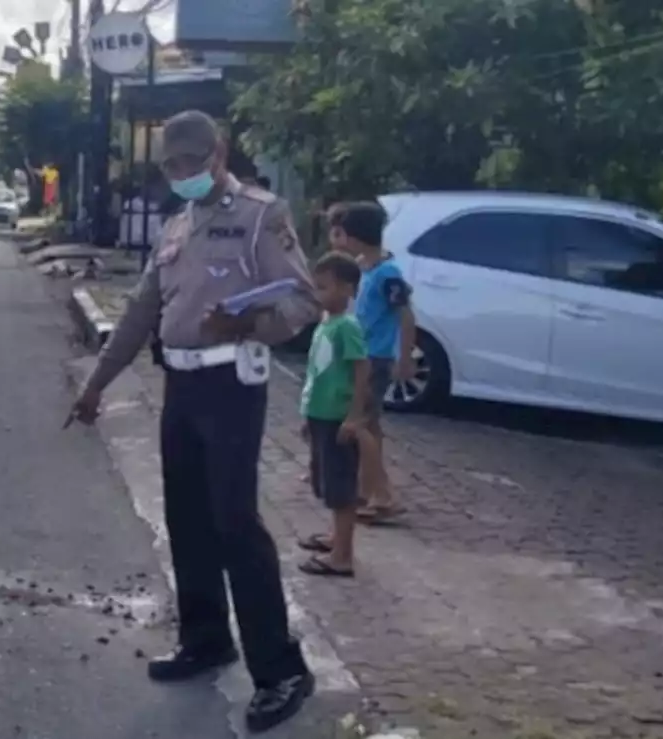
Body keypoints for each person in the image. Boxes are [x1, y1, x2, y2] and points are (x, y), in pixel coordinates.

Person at [67, 110, 320, 733]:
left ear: (219, 152)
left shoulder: (262, 214)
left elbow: (303, 299)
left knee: (235, 522)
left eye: (190, 163)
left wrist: (247, 324)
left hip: (232, 381)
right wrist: (96, 385)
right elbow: (139, 312)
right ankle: (207, 638)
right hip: (180, 382)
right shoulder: (176, 225)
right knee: (187, 517)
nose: (182, 174)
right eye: (172, 167)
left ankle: (282, 669)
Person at [330, 202, 415, 524]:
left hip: (375, 359)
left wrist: (404, 359)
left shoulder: (387, 274)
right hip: (361, 355)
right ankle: (370, 491)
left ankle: (383, 496)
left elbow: (406, 316)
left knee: (361, 427)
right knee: (370, 427)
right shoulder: (365, 267)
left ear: (356, 236)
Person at [296, 252, 370, 577]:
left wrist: (354, 416)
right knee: (326, 481)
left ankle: (342, 555)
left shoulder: (347, 327)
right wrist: (307, 416)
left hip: (337, 418)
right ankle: (334, 538)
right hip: (320, 415)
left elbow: (360, 369)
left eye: (324, 287)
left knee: (341, 488)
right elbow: (316, 372)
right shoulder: (326, 324)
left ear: (347, 289)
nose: (318, 294)